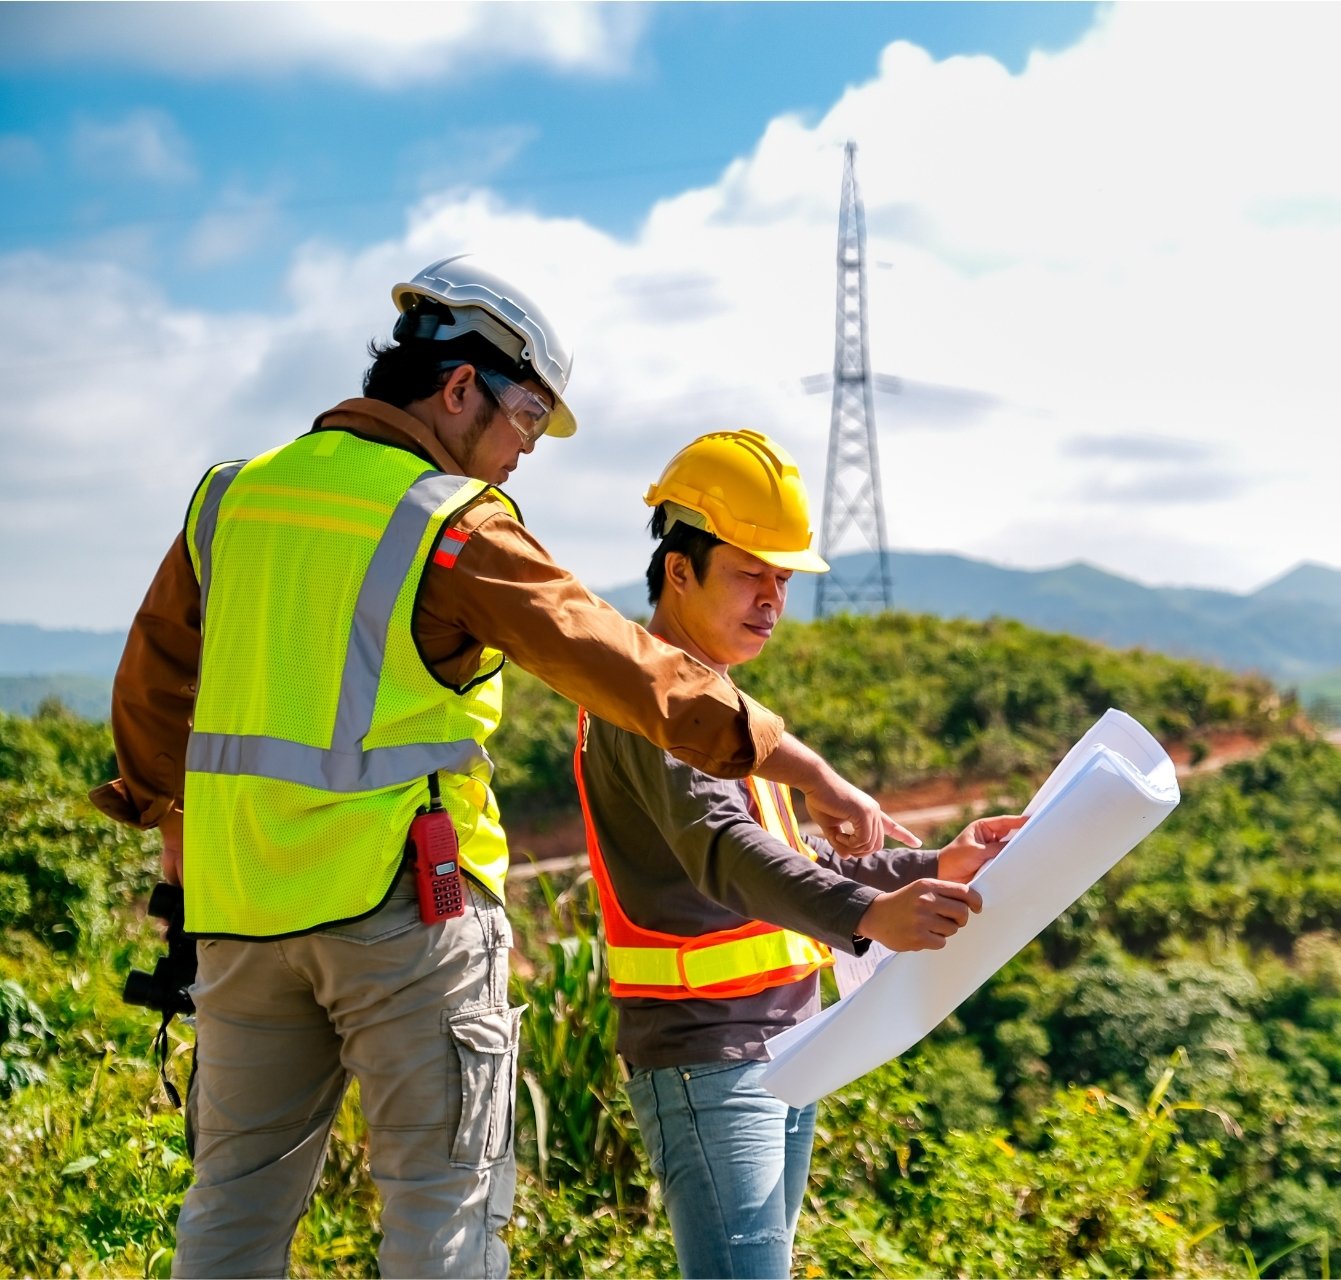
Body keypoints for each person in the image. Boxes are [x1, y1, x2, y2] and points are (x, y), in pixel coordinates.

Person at [87, 256, 912, 1279]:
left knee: (233, 1202)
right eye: (525, 418)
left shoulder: (230, 497)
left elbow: (154, 686)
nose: (523, 453)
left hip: (242, 912)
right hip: (405, 910)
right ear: (459, 386)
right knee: (445, 1210)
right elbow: (619, 661)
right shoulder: (446, 519)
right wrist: (803, 764)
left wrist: (177, 837)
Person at [573, 428, 1024, 1280]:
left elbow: (793, 862)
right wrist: (868, 917)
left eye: (782, 580)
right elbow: (725, 850)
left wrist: (935, 867)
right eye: (751, 573)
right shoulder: (651, 705)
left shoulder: (731, 712)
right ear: (678, 569)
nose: (773, 600)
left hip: (786, 1040)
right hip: (709, 1057)